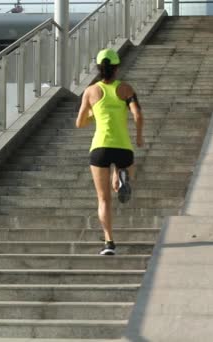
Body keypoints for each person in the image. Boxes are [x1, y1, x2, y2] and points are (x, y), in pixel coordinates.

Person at [75, 49, 144, 256]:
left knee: (103, 199)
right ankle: (121, 175)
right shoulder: (125, 89)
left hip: (100, 148)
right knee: (123, 170)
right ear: (117, 68)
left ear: (98, 68)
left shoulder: (90, 92)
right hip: (123, 147)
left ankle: (109, 242)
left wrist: (93, 113)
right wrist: (139, 137)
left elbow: (79, 123)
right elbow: (138, 115)